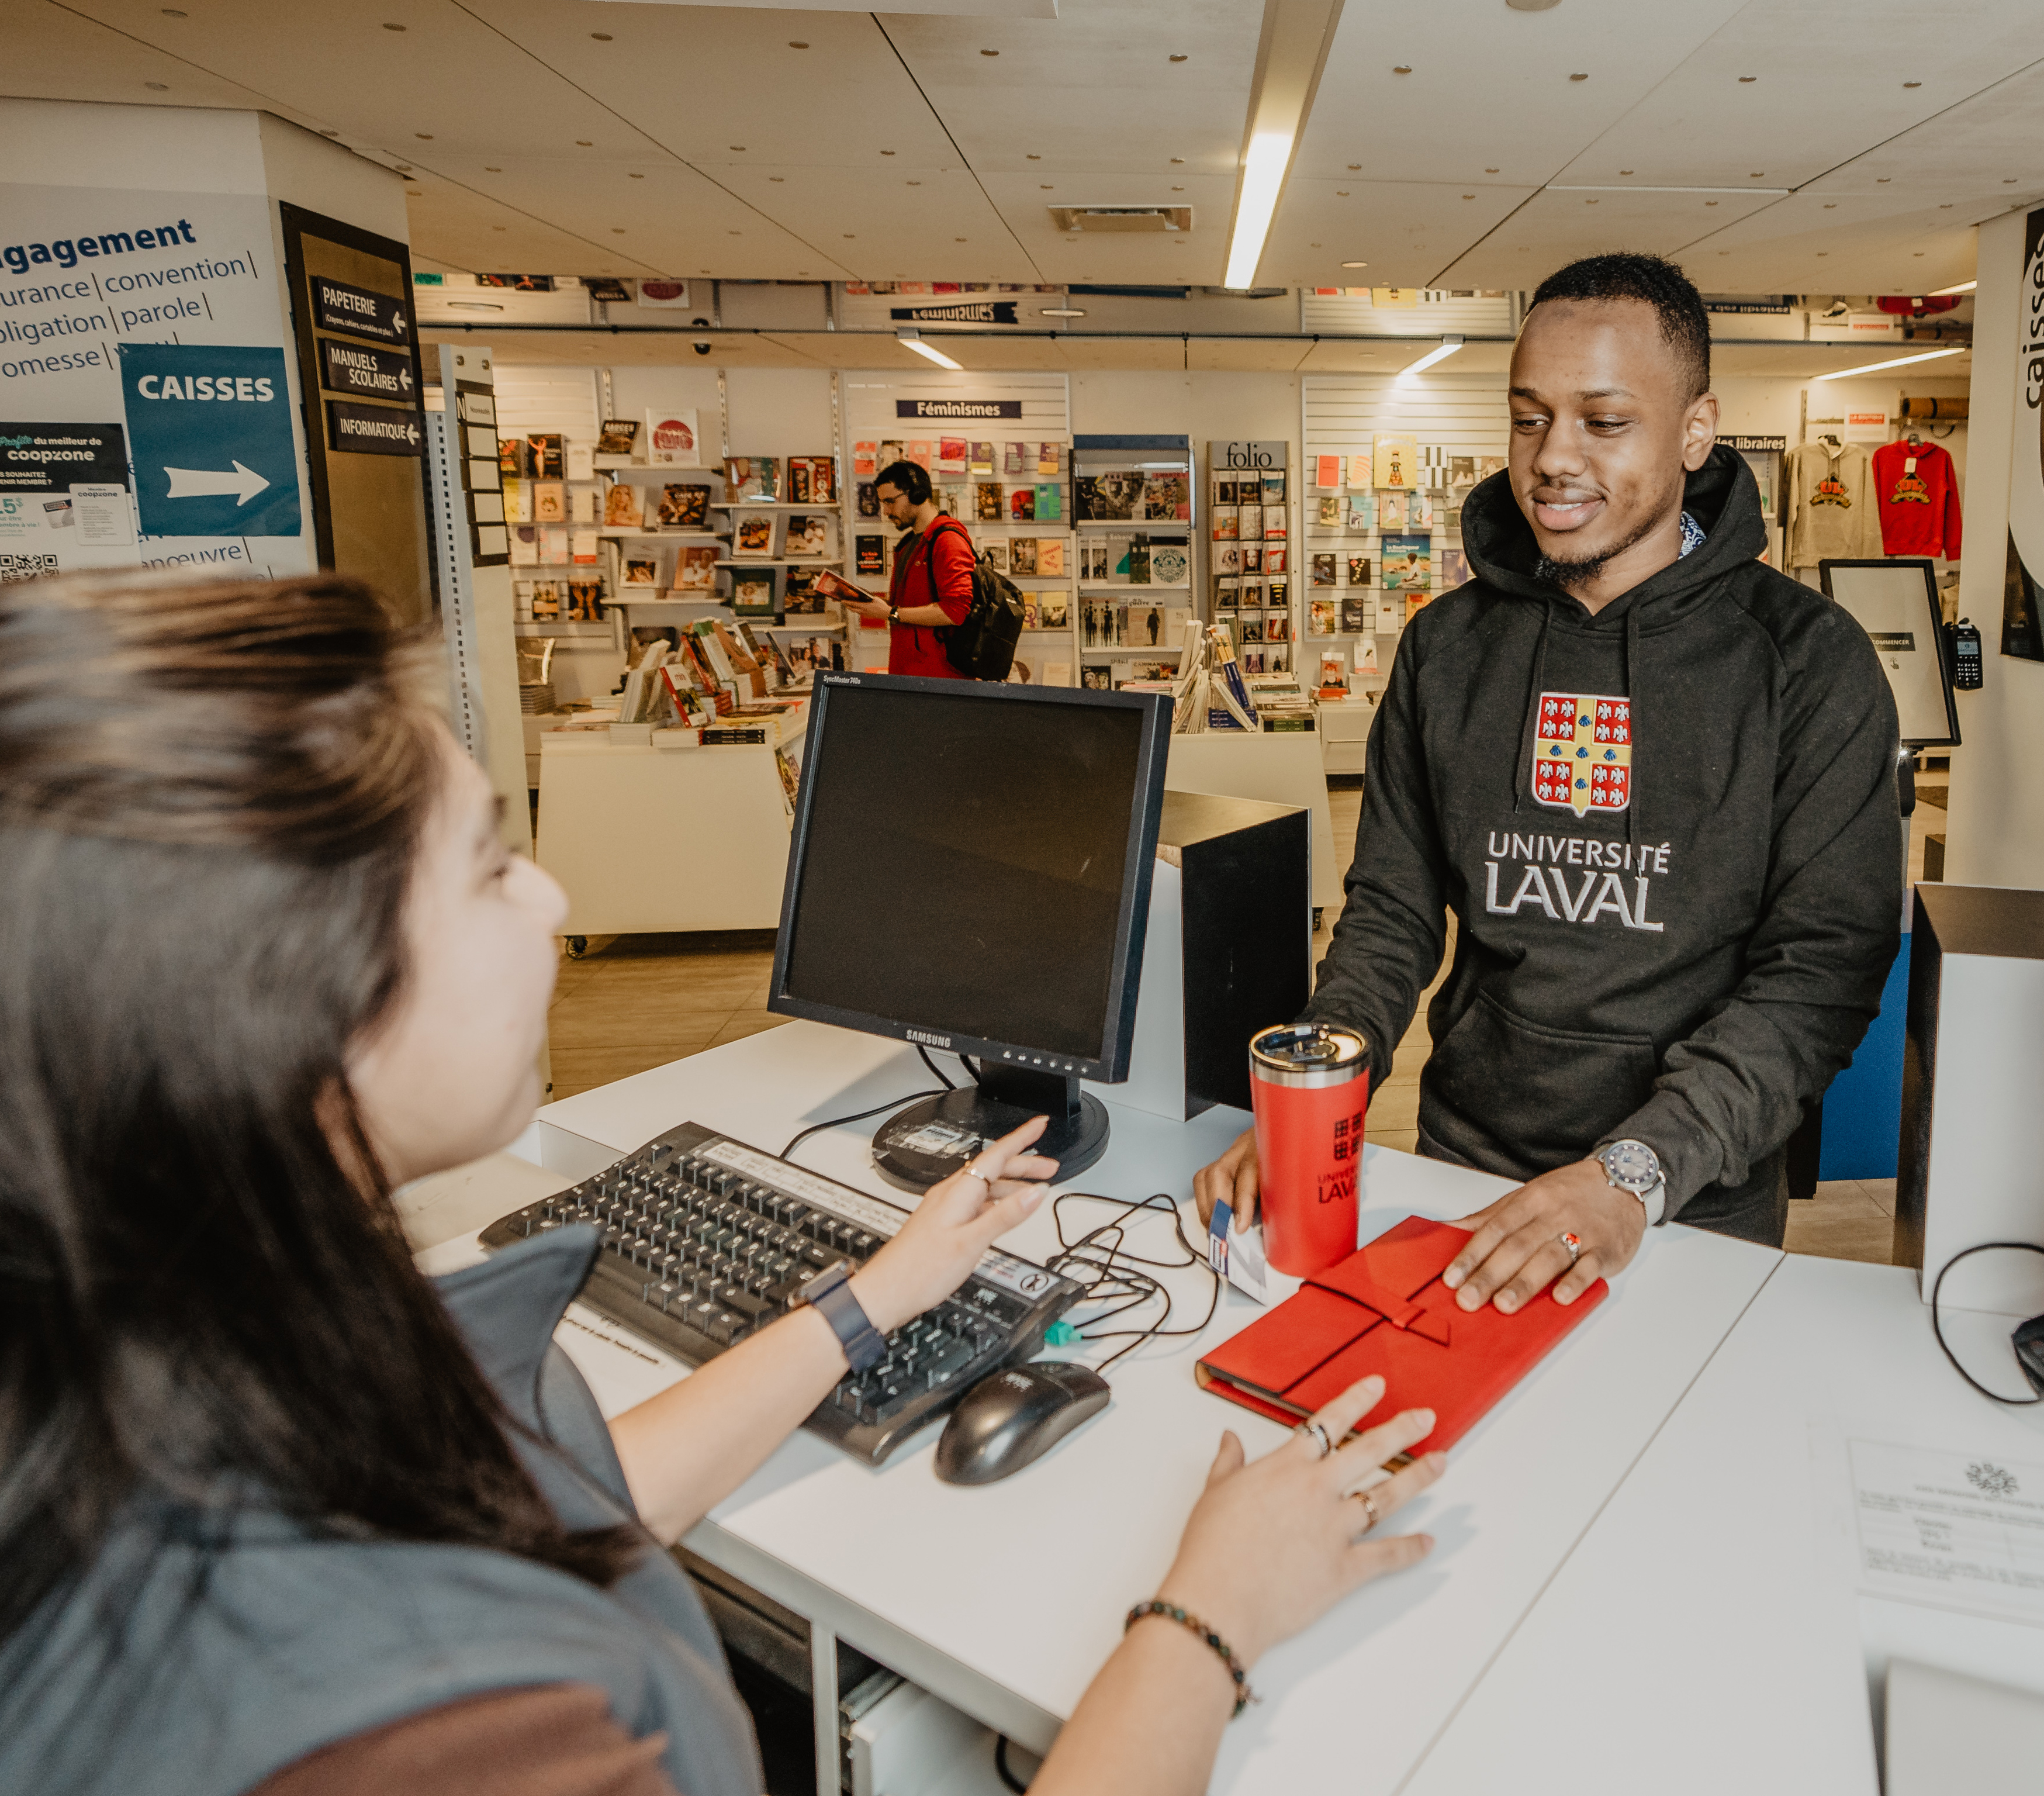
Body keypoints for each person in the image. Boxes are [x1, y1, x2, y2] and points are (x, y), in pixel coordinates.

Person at [0, 571, 1444, 1796]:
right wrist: (1208, 1617)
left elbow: (549, 1504)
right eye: (493, 864)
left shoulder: (199, 1366)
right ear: (293, 1004)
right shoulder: (431, 1734)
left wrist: (867, 1302)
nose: (554, 894)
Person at [1197, 251, 1901, 1315]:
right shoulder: (1445, 648)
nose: (1551, 458)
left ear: (1695, 430)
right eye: (1528, 418)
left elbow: (1817, 973)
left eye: (1602, 421)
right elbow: (1389, 915)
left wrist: (1635, 1170)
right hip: (1462, 1168)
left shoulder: (1807, 661)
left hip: (1685, 1199)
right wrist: (1317, 1095)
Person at [839, 457, 977, 677]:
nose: (885, 511)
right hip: (913, 672)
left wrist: (891, 613)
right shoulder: (911, 543)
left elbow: (955, 611)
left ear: (916, 494)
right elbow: (913, 604)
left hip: (939, 676)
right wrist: (876, 605)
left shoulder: (947, 540)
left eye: (890, 501)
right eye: (883, 502)